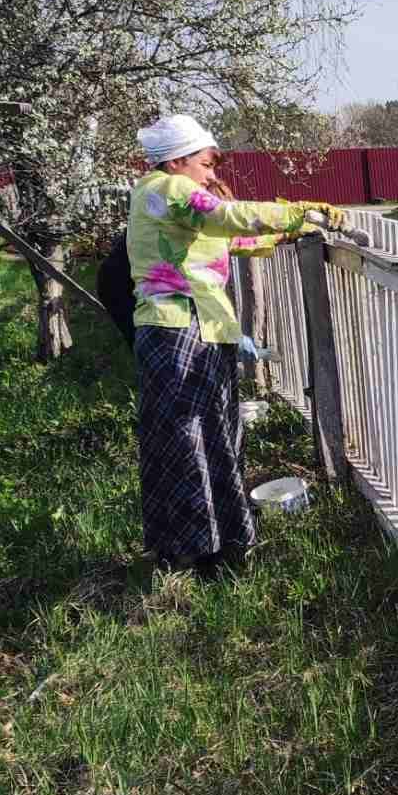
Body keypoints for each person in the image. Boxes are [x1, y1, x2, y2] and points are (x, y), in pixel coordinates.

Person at [127, 113, 346, 576]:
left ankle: (213, 543)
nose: (211, 175)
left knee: (212, 435)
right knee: (193, 440)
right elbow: (225, 215)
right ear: (178, 160)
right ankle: (200, 552)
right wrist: (298, 209)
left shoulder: (166, 199)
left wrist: (288, 233)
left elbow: (233, 238)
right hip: (178, 329)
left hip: (196, 328)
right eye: (205, 164)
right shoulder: (167, 189)